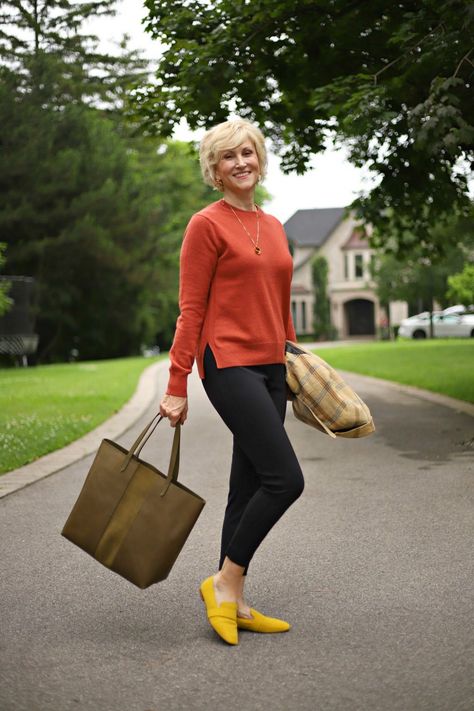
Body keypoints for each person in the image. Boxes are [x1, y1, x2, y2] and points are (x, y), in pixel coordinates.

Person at [159, 118, 304, 645]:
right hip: (227, 363)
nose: (241, 162)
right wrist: (177, 382)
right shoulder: (206, 224)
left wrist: (292, 359)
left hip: (270, 365)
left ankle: (235, 602)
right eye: (228, 156)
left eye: (248, 152)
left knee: (247, 485)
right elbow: (190, 309)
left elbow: (280, 302)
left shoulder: (274, 224)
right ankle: (224, 582)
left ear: (259, 159)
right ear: (215, 170)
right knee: (286, 479)